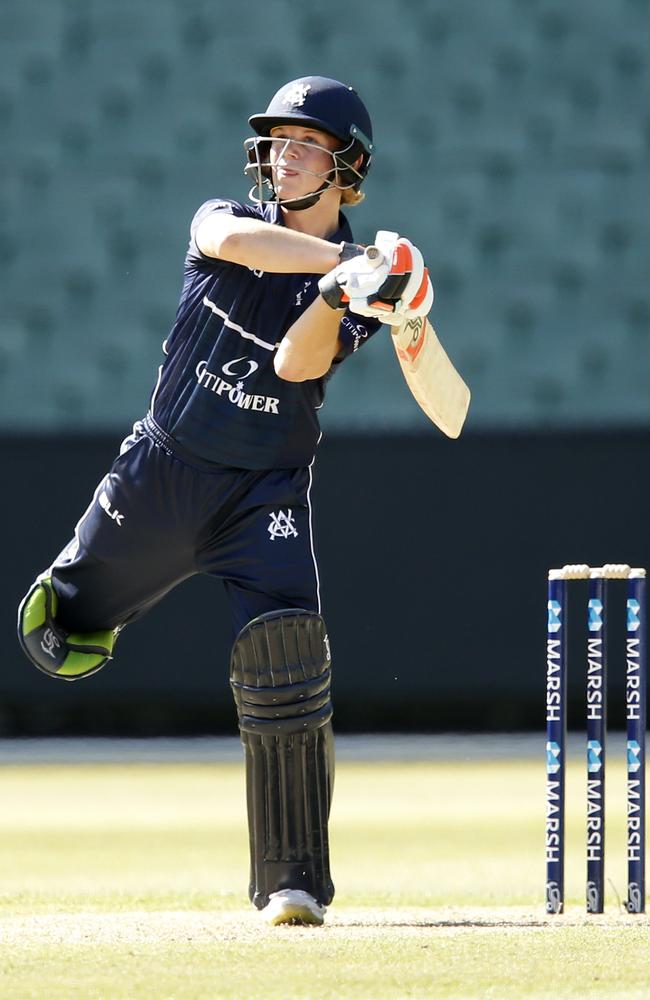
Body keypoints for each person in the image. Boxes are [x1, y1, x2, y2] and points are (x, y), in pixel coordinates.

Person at [17, 76, 433, 925]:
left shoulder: (352, 295)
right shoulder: (226, 223)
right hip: (163, 471)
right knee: (55, 633)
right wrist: (360, 267)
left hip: (264, 493)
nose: (282, 156)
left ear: (346, 167)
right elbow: (237, 242)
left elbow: (294, 366)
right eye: (277, 142)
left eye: (304, 143)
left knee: (289, 654)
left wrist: (346, 293)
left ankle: (293, 884)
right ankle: (85, 592)